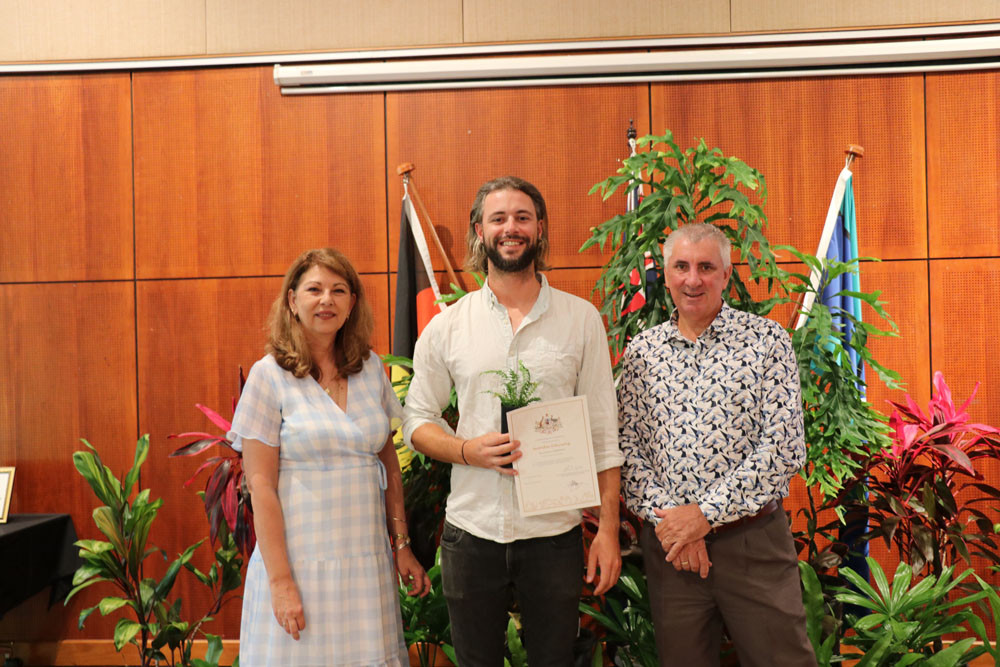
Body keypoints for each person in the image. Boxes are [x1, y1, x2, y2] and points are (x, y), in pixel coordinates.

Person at [403, 176, 624, 666]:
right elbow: (415, 421)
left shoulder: (581, 319)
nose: (511, 228)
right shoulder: (449, 325)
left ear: (540, 229)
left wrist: (607, 532)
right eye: (498, 218)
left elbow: (603, 435)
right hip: (472, 530)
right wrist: (466, 450)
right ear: (479, 231)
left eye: (523, 217)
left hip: (554, 535)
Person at [617, 223, 816, 666]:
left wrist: (703, 516)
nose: (693, 279)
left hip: (752, 544)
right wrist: (676, 526)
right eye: (681, 267)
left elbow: (784, 448)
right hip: (672, 554)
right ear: (665, 275)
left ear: (727, 274)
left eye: (707, 267)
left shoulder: (766, 342)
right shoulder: (641, 352)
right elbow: (626, 451)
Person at [228, 248, 430, 666]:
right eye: (314, 289)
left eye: (339, 290)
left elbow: (388, 461)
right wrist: (281, 582)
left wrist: (402, 546)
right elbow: (260, 485)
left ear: (352, 303)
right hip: (300, 564)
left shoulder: (370, 367)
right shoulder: (269, 376)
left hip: (366, 563)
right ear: (292, 300)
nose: (327, 300)